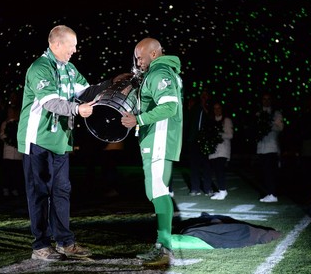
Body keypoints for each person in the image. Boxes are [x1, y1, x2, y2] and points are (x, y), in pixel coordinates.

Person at [17, 25, 122, 262]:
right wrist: (76, 109)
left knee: (62, 191)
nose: (75, 50)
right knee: (39, 194)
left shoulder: (70, 69)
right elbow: (51, 102)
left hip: (62, 141)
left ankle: (65, 242)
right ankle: (40, 246)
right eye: (72, 45)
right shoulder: (39, 68)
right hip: (37, 141)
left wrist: (111, 82)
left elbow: (87, 92)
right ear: (56, 44)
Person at [121, 37, 183, 267]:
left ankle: (164, 246)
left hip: (159, 139)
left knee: (158, 191)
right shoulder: (158, 73)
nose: (137, 62)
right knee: (155, 191)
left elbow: (169, 106)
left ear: (154, 54)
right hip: (156, 139)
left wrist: (139, 119)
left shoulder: (160, 72)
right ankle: (162, 244)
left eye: (140, 56)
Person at [254, 92, 284, 203]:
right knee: (264, 172)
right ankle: (269, 193)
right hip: (261, 147)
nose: (266, 101)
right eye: (264, 99)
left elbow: (280, 128)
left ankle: (273, 193)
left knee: (271, 171)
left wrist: (268, 123)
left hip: (272, 147)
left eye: (268, 99)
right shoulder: (258, 113)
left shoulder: (276, 113)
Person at [187, 89, 213, 196]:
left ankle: (207, 188)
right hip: (194, 140)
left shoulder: (210, 107)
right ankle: (195, 188)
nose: (204, 97)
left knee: (206, 165)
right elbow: (189, 121)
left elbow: (211, 119)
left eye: (206, 95)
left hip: (205, 140)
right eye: (202, 95)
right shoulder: (195, 107)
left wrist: (204, 107)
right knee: (194, 165)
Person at [0, 91, 23, 196]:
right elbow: (2, 135)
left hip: (18, 152)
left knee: (17, 171)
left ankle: (15, 188)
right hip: (8, 151)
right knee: (7, 171)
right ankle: (6, 188)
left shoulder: (20, 124)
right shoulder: (5, 123)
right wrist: (9, 138)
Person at [208, 102, 233, 200]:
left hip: (223, 149)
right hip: (214, 151)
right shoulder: (211, 120)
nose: (217, 110)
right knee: (216, 171)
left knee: (220, 170)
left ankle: (223, 190)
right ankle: (221, 190)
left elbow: (230, 135)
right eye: (215, 108)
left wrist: (218, 134)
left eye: (219, 108)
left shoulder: (226, 120)